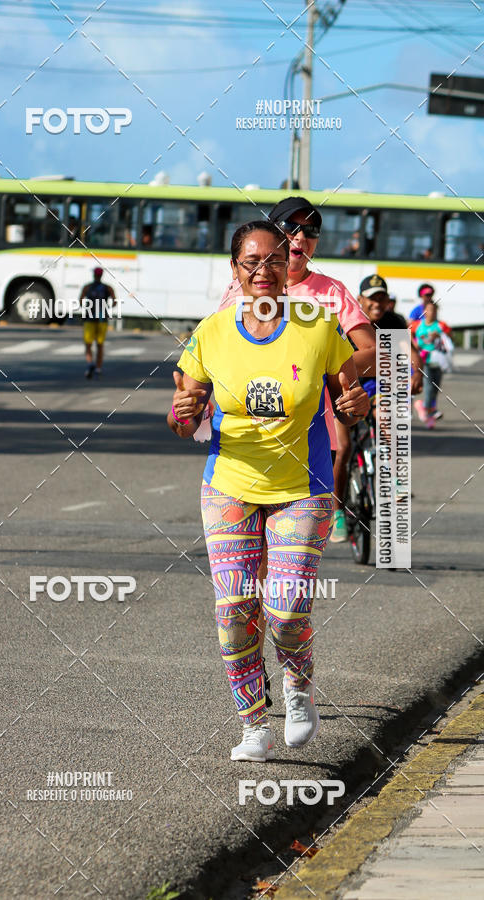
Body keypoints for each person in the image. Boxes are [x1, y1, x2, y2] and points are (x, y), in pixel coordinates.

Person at [169, 220, 370, 762]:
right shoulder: (210, 332)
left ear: (290, 266)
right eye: (250, 262)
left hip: (303, 486)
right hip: (229, 484)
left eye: (274, 260)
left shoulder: (317, 325)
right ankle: (252, 724)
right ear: (234, 270)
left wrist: (357, 404)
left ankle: (298, 687)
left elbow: (349, 388)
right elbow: (182, 413)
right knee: (235, 608)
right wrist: (184, 416)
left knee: (284, 608)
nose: (263, 270)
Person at [219, 196, 376, 546]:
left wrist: (328, 368)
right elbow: (218, 351)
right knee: (251, 560)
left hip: (312, 440)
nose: (300, 238)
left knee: (290, 563)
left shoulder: (331, 292)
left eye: (311, 230)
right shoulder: (239, 290)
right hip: (248, 439)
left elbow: (375, 351)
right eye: (290, 228)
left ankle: (337, 508)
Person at [357, 274, 423, 399]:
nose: (377, 304)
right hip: (352, 387)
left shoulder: (393, 321)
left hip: (383, 386)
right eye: (372, 298)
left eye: (381, 299)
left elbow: (411, 352)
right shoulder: (350, 321)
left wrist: (417, 375)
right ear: (360, 299)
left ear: (388, 300)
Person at [414, 300, 453, 429]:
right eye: (429, 310)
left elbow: (450, 339)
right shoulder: (418, 325)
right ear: (425, 311)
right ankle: (424, 407)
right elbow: (408, 336)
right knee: (429, 388)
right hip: (425, 361)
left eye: (434, 310)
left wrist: (440, 334)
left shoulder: (441, 325)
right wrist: (415, 347)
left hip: (438, 361)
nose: (432, 313)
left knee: (435, 390)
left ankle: (430, 417)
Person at [80, 267, 115, 379]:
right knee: (100, 345)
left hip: (89, 319)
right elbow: (114, 301)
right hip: (102, 320)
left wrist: (87, 307)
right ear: (102, 275)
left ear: (93, 275)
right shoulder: (108, 288)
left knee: (88, 344)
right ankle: (98, 368)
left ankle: (90, 363)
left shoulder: (87, 287)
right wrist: (107, 307)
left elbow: (80, 300)